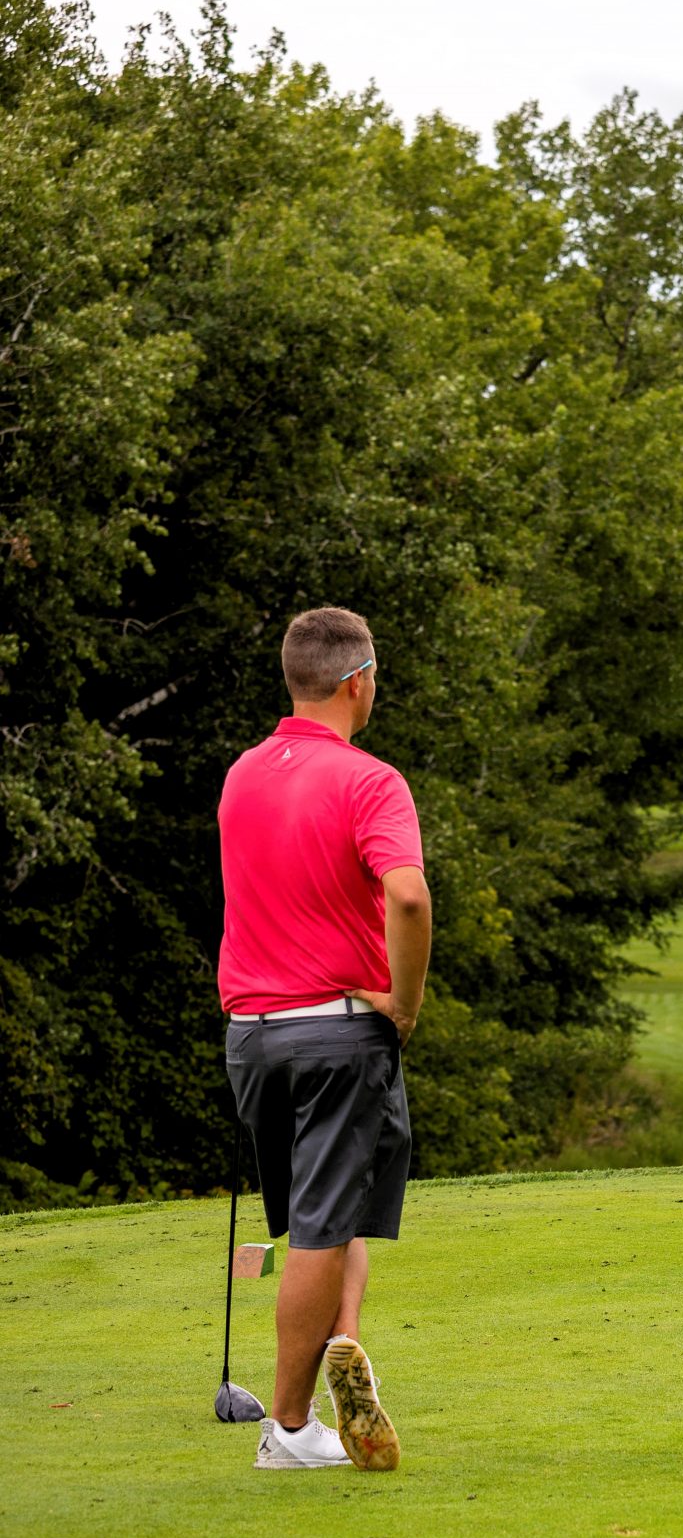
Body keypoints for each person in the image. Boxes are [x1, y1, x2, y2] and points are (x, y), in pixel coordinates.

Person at [218, 607, 431, 1472]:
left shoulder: (240, 775)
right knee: (319, 1226)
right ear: (358, 681)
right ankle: (293, 1429)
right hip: (340, 1031)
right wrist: (404, 1001)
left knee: (325, 1211)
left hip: (251, 1035)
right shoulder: (371, 780)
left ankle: (342, 1340)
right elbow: (408, 897)